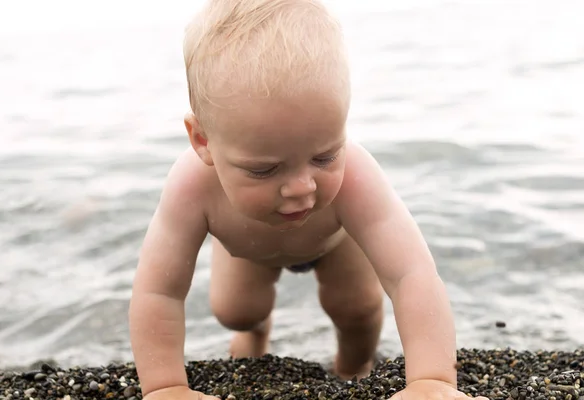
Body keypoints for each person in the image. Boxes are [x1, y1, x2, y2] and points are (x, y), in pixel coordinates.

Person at [129, 0, 488, 399]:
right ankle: (256, 336)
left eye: (324, 156)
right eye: (264, 169)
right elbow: (159, 292)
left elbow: (411, 274)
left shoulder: (356, 174)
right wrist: (165, 387)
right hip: (247, 249)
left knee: (355, 312)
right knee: (237, 312)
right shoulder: (191, 188)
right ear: (203, 142)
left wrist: (433, 379)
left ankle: (353, 367)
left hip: (335, 242)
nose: (302, 188)